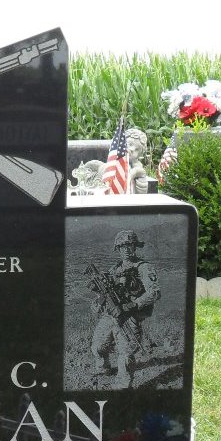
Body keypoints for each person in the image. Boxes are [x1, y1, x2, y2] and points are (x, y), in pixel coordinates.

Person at [88, 230, 160, 387]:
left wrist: (133, 305)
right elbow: (107, 291)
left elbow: (155, 293)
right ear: (118, 249)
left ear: (135, 247)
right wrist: (98, 298)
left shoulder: (144, 268)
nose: (126, 249)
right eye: (122, 246)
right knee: (98, 346)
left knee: (126, 353)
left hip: (130, 315)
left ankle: (123, 386)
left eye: (129, 245)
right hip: (111, 313)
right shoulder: (115, 269)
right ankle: (103, 368)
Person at [124, 128, 150, 195]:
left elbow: (142, 195)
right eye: (130, 144)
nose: (132, 149)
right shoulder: (112, 162)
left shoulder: (137, 168)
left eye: (137, 149)